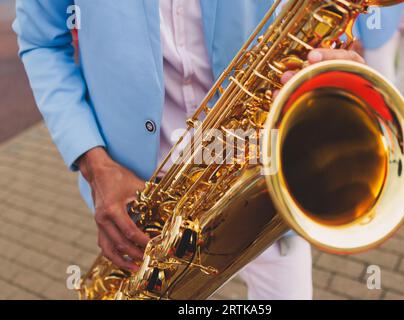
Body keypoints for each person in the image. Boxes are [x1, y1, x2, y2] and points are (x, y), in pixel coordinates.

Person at [14, 0, 365, 300]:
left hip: (261, 176)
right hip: (142, 198)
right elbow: (41, 42)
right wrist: (95, 164)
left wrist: (332, 65)